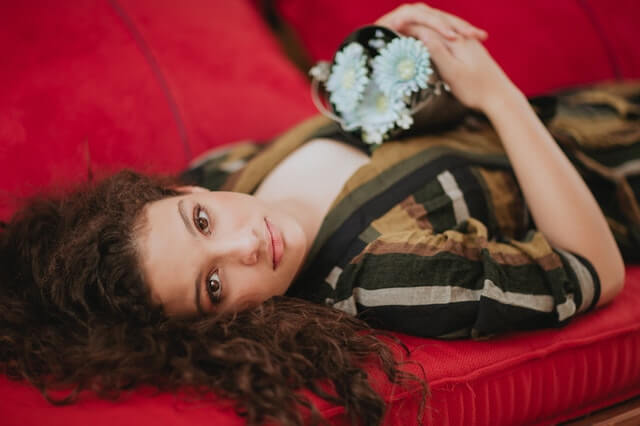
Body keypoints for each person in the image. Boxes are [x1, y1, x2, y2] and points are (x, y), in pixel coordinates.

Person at [1, 3, 638, 425]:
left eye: (201, 223)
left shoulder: (225, 173)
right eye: (214, 285)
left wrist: (374, 63)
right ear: (215, 328)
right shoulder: (382, 277)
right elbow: (591, 269)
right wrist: (495, 94)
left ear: (179, 194)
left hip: (602, 107)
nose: (245, 242)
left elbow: (367, 133)